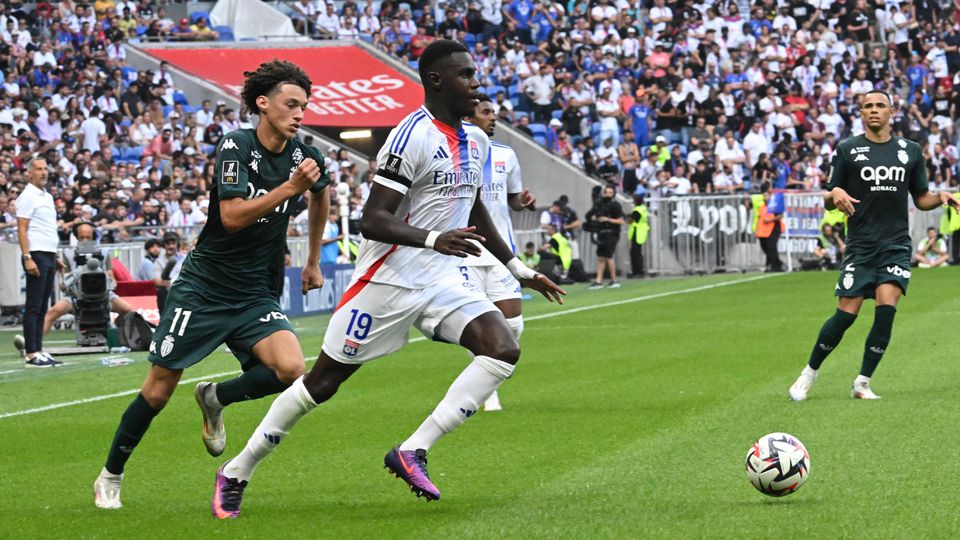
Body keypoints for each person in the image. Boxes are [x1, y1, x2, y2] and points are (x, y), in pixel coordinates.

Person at [210, 40, 565, 519]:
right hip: (387, 280)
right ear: (437, 81)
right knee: (322, 383)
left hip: (442, 280)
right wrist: (436, 237)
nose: (476, 85)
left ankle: (412, 450)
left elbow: (477, 206)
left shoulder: (477, 141)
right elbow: (372, 219)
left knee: (502, 349)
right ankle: (237, 470)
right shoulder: (410, 136)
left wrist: (518, 268)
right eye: (466, 76)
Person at [93, 60, 331, 510]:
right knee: (158, 390)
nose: (300, 114)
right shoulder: (235, 146)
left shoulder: (305, 157)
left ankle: (214, 396)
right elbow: (232, 217)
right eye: (290, 104)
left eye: (304, 105)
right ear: (263, 103)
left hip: (254, 290)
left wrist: (313, 259)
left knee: (291, 371)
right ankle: (111, 475)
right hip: (204, 288)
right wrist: (288, 189)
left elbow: (322, 194)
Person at [788, 90, 960, 402]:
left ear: (891, 112)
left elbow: (921, 197)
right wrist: (836, 192)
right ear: (861, 113)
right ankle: (809, 373)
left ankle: (862, 383)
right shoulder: (848, 149)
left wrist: (941, 196)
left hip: (895, 245)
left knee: (886, 310)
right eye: (867, 106)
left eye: (880, 105)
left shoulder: (909, 151)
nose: (874, 110)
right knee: (846, 313)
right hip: (861, 245)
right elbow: (829, 197)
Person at [462, 94, 538, 412]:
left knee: (514, 325)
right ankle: (486, 392)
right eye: (486, 112)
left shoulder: (507, 154)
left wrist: (523, 200)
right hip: (464, 253)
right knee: (479, 323)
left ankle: (486, 379)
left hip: (502, 251)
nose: (493, 117)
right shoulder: (456, 154)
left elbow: (512, 200)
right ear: (469, 117)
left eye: (494, 112)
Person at [42, 222, 134, 335]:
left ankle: (121, 335)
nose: (85, 240)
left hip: (103, 295)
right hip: (76, 297)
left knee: (128, 311)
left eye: (88, 237)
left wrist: (109, 281)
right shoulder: (68, 255)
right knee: (52, 313)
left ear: (93, 236)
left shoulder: (104, 253)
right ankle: (33, 344)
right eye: (81, 237)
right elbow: (65, 282)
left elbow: (112, 278)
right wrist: (66, 284)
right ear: (76, 237)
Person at [16, 158, 63, 368]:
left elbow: (47, 228)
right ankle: (31, 352)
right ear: (29, 174)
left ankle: (39, 349)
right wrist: (27, 257)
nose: (44, 172)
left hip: (48, 252)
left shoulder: (48, 197)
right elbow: (22, 228)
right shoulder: (27, 196)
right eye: (39, 169)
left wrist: (56, 255)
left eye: (45, 168)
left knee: (43, 306)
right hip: (36, 253)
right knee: (34, 305)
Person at [585, 185, 624, 289]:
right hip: (602, 233)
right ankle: (599, 281)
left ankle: (614, 279)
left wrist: (607, 219)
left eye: (610, 193)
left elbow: (620, 221)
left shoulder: (616, 205)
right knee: (601, 257)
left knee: (609, 256)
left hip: (612, 232)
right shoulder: (600, 205)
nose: (608, 195)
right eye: (606, 192)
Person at [755, 183, 784, 272]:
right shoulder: (762, 206)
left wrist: (770, 220)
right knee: (766, 247)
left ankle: (776, 266)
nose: (765, 197)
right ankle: (774, 263)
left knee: (771, 246)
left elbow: (780, 215)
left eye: (766, 196)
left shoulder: (774, 205)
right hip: (764, 230)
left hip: (775, 227)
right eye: (764, 196)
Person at [627, 187, 649, 278]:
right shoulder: (643, 208)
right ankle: (638, 270)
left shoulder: (637, 210)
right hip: (641, 232)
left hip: (637, 232)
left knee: (635, 252)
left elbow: (631, 220)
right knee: (636, 252)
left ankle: (637, 271)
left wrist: (628, 216)